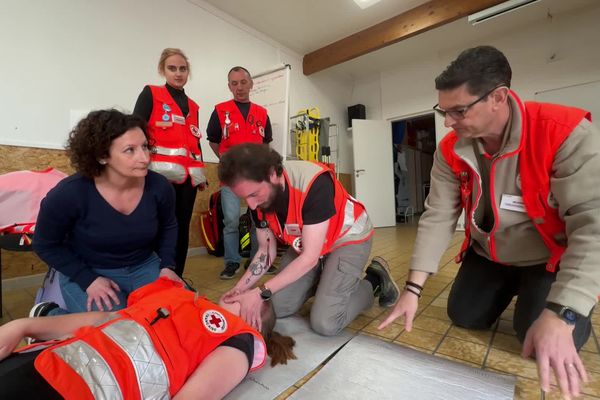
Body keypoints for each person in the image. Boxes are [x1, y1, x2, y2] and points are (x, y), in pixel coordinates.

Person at [378, 46, 600, 399]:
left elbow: (594, 228)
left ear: (498, 97)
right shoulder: (451, 148)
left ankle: (562, 296)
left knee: (539, 331)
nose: (447, 122)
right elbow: (438, 214)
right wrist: (413, 289)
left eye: (458, 111)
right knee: (464, 315)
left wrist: (564, 313)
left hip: (547, 258)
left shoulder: (564, 133)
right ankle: (515, 289)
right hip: (491, 254)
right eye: (443, 111)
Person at [0, 277, 296, 399]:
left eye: (247, 296)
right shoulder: (181, 297)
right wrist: (26, 326)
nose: (238, 290)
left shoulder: (237, 341)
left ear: (256, 319)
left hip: (82, 389)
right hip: (48, 358)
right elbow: (108, 319)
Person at [218, 143, 400, 336]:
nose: (252, 206)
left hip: (347, 239)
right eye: (245, 199)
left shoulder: (314, 184)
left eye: (254, 194)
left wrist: (258, 292)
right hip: (306, 244)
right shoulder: (258, 202)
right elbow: (265, 251)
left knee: (326, 322)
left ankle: (374, 280)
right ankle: (326, 283)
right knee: (279, 307)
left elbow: (310, 258)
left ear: (272, 174)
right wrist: (239, 289)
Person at [32, 109, 181, 316]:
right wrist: (87, 279)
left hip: (144, 265)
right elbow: (44, 244)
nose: (145, 158)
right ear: (102, 156)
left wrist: (167, 266)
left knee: (177, 317)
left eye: (145, 147)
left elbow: (169, 225)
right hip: (90, 270)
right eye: (130, 150)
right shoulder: (69, 193)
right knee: (115, 329)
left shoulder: (159, 186)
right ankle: (47, 315)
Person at [133, 48, 207, 277]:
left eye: (182, 69)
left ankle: (176, 277)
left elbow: (195, 142)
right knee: (156, 227)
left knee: (181, 229)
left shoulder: (194, 106)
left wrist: (202, 173)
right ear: (162, 70)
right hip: (158, 176)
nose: (178, 73)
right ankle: (152, 279)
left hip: (188, 179)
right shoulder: (151, 94)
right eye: (172, 68)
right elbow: (135, 131)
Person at [206, 66, 273, 279]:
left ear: (251, 83)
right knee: (231, 221)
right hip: (231, 179)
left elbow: (266, 144)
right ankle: (232, 262)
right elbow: (213, 141)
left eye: (243, 82)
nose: (239, 87)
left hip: (256, 178)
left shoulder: (262, 113)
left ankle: (257, 259)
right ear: (229, 86)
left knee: (259, 221)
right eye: (234, 83)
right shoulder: (219, 110)